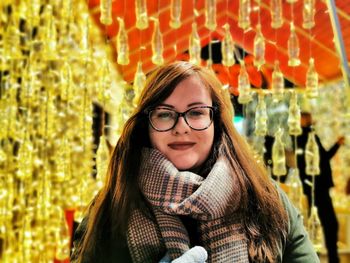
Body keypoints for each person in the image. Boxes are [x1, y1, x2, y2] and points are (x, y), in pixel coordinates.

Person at [71, 61, 319, 263]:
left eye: (196, 112)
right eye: (165, 114)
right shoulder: (113, 205)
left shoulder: (266, 200)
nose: (181, 127)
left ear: (217, 122)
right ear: (146, 125)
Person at [296, 112, 344, 263]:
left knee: (325, 224)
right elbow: (314, 161)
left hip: (317, 187)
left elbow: (323, 158)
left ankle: (327, 257)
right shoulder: (304, 138)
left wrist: (337, 145)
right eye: (307, 118)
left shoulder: (310, 137)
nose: (311, 120)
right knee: (326, 224)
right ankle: (330, 258)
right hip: (316, 188)